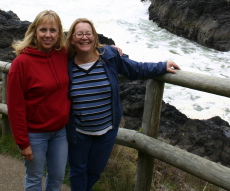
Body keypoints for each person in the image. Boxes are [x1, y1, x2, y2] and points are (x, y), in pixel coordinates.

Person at [64, 18, 180, 191]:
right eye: (79, 34)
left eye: (88, 33)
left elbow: (136, 69)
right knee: (77, 171)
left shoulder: (109, 57)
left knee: (95, 172)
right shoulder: (66, 65)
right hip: (78, 132)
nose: (84, 38)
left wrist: (162, 66)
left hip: (106, 131)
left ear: (94, 37)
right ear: (72, 39)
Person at [7, 10, 70, 191]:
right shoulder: (21, 63)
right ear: (35, 31)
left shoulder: (63, 54)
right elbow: (15, 107)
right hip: (35, 135)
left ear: (59, 33)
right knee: (35, 179)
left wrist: (111, 50)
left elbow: (86, 48)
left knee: (57, 178)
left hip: (60, 132)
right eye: (43, 30)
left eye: (53, 30)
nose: (48, 35)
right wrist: (22, 142)